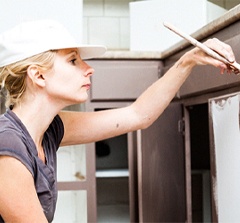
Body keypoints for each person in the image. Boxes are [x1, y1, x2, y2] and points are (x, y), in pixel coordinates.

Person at [0, 19, 236, 222]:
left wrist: (189, 59)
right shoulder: (8, 148)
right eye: (73, 61)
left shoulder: (50, 129)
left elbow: (137, 115)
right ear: (38, 75)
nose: (89, 68)